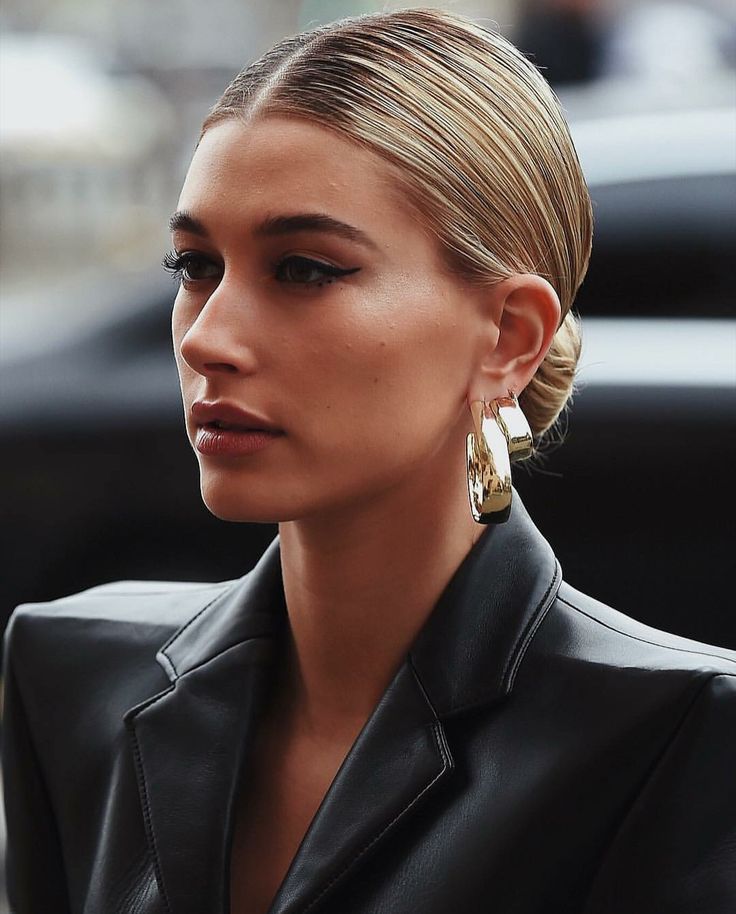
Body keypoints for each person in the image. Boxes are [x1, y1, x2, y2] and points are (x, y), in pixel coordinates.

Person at [3, 8, 735, 914]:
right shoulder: (71, 672)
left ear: (509, 336)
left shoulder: (683, 737)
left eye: (305, 269)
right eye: (193, 264)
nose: (209, 338)